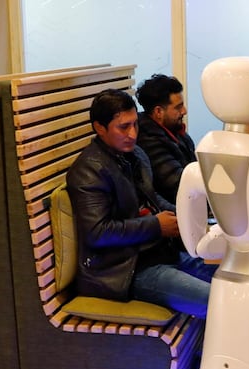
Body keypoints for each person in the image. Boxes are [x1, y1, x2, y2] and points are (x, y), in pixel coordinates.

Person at [66, 89, 215, 318]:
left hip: (161, 254)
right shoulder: (88, 171)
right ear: (99, 128)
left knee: (234, 279)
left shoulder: (134, 155)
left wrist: (185, 217)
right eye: (123, 127)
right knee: (218, 300)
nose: (133, 134)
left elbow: (152, 199)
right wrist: (157, 226)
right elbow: (97, 233)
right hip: (125, 270)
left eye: (135, 124)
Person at [135, 74, 196, 203]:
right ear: (158, 112)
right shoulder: (148, 142)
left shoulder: (175, 131)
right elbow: (181, 187)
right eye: (178, 107)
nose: (184, 111)